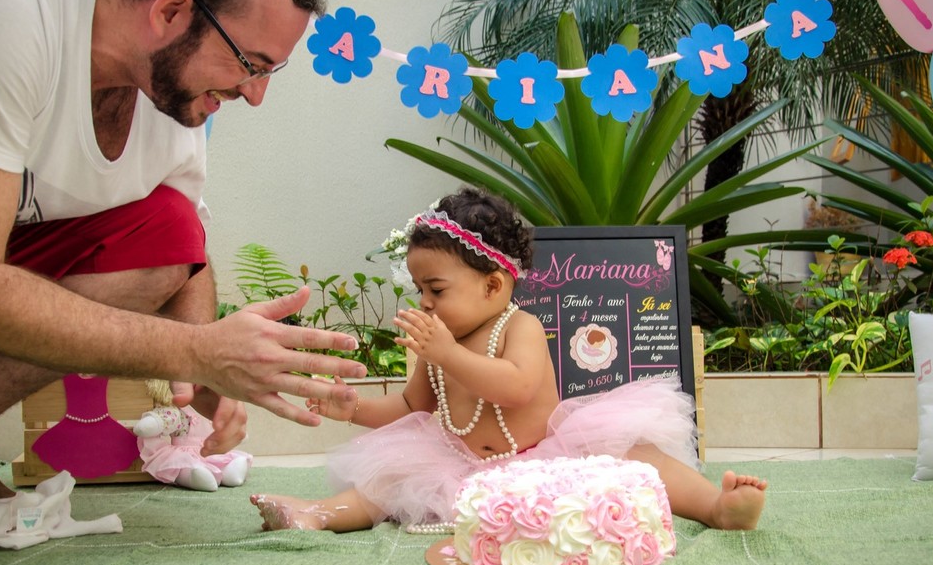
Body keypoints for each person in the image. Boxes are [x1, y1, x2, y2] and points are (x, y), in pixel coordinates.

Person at [0, 0, 366, 565]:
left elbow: (183, 254)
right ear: (171, 12)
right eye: (250, 64)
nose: (255, 95)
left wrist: (204, 379)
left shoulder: (167, 97)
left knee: (166, 228)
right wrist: (199, 351)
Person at [250, 188, 768, 533]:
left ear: (494, 286)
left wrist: (447, 353)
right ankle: (317, 514)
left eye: (436, 289)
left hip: (546, 457)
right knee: (388, 482)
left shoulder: (519, 327)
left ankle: (715, 507)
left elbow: (517, 387)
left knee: (636, 455)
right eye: (419, 289)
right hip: (461, 465)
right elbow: (413, 407)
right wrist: (353, 409)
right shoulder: (440, 342)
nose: (424, 302)